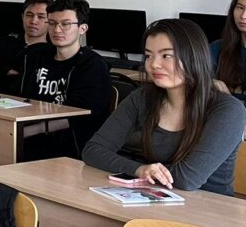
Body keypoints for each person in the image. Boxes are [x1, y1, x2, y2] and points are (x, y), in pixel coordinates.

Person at [83, 19, 246, 195]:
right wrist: (140, 169)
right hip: (154, 196)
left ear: (193, 56)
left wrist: (141, 170)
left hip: (208, 206)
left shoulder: (228, 110)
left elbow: (187, 179)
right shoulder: (142, 97)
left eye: (166, 56)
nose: (154, 64)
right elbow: (93, 151)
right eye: (148, 56)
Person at [12, 0, 111, 151]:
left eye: (65, 24)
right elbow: (23, 98)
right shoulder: (36, 56)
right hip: (29, 131)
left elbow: (81, 115)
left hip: (70, 142)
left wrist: (30, 130)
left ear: (82, 29)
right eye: (52, 23)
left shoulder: (93, 66)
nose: (57, 30)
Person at [210, 0, 246, 103]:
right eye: (240, 8)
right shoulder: (217, 48)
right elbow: (191, 73)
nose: (243, 16)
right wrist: (211, 82)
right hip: (223, 110)